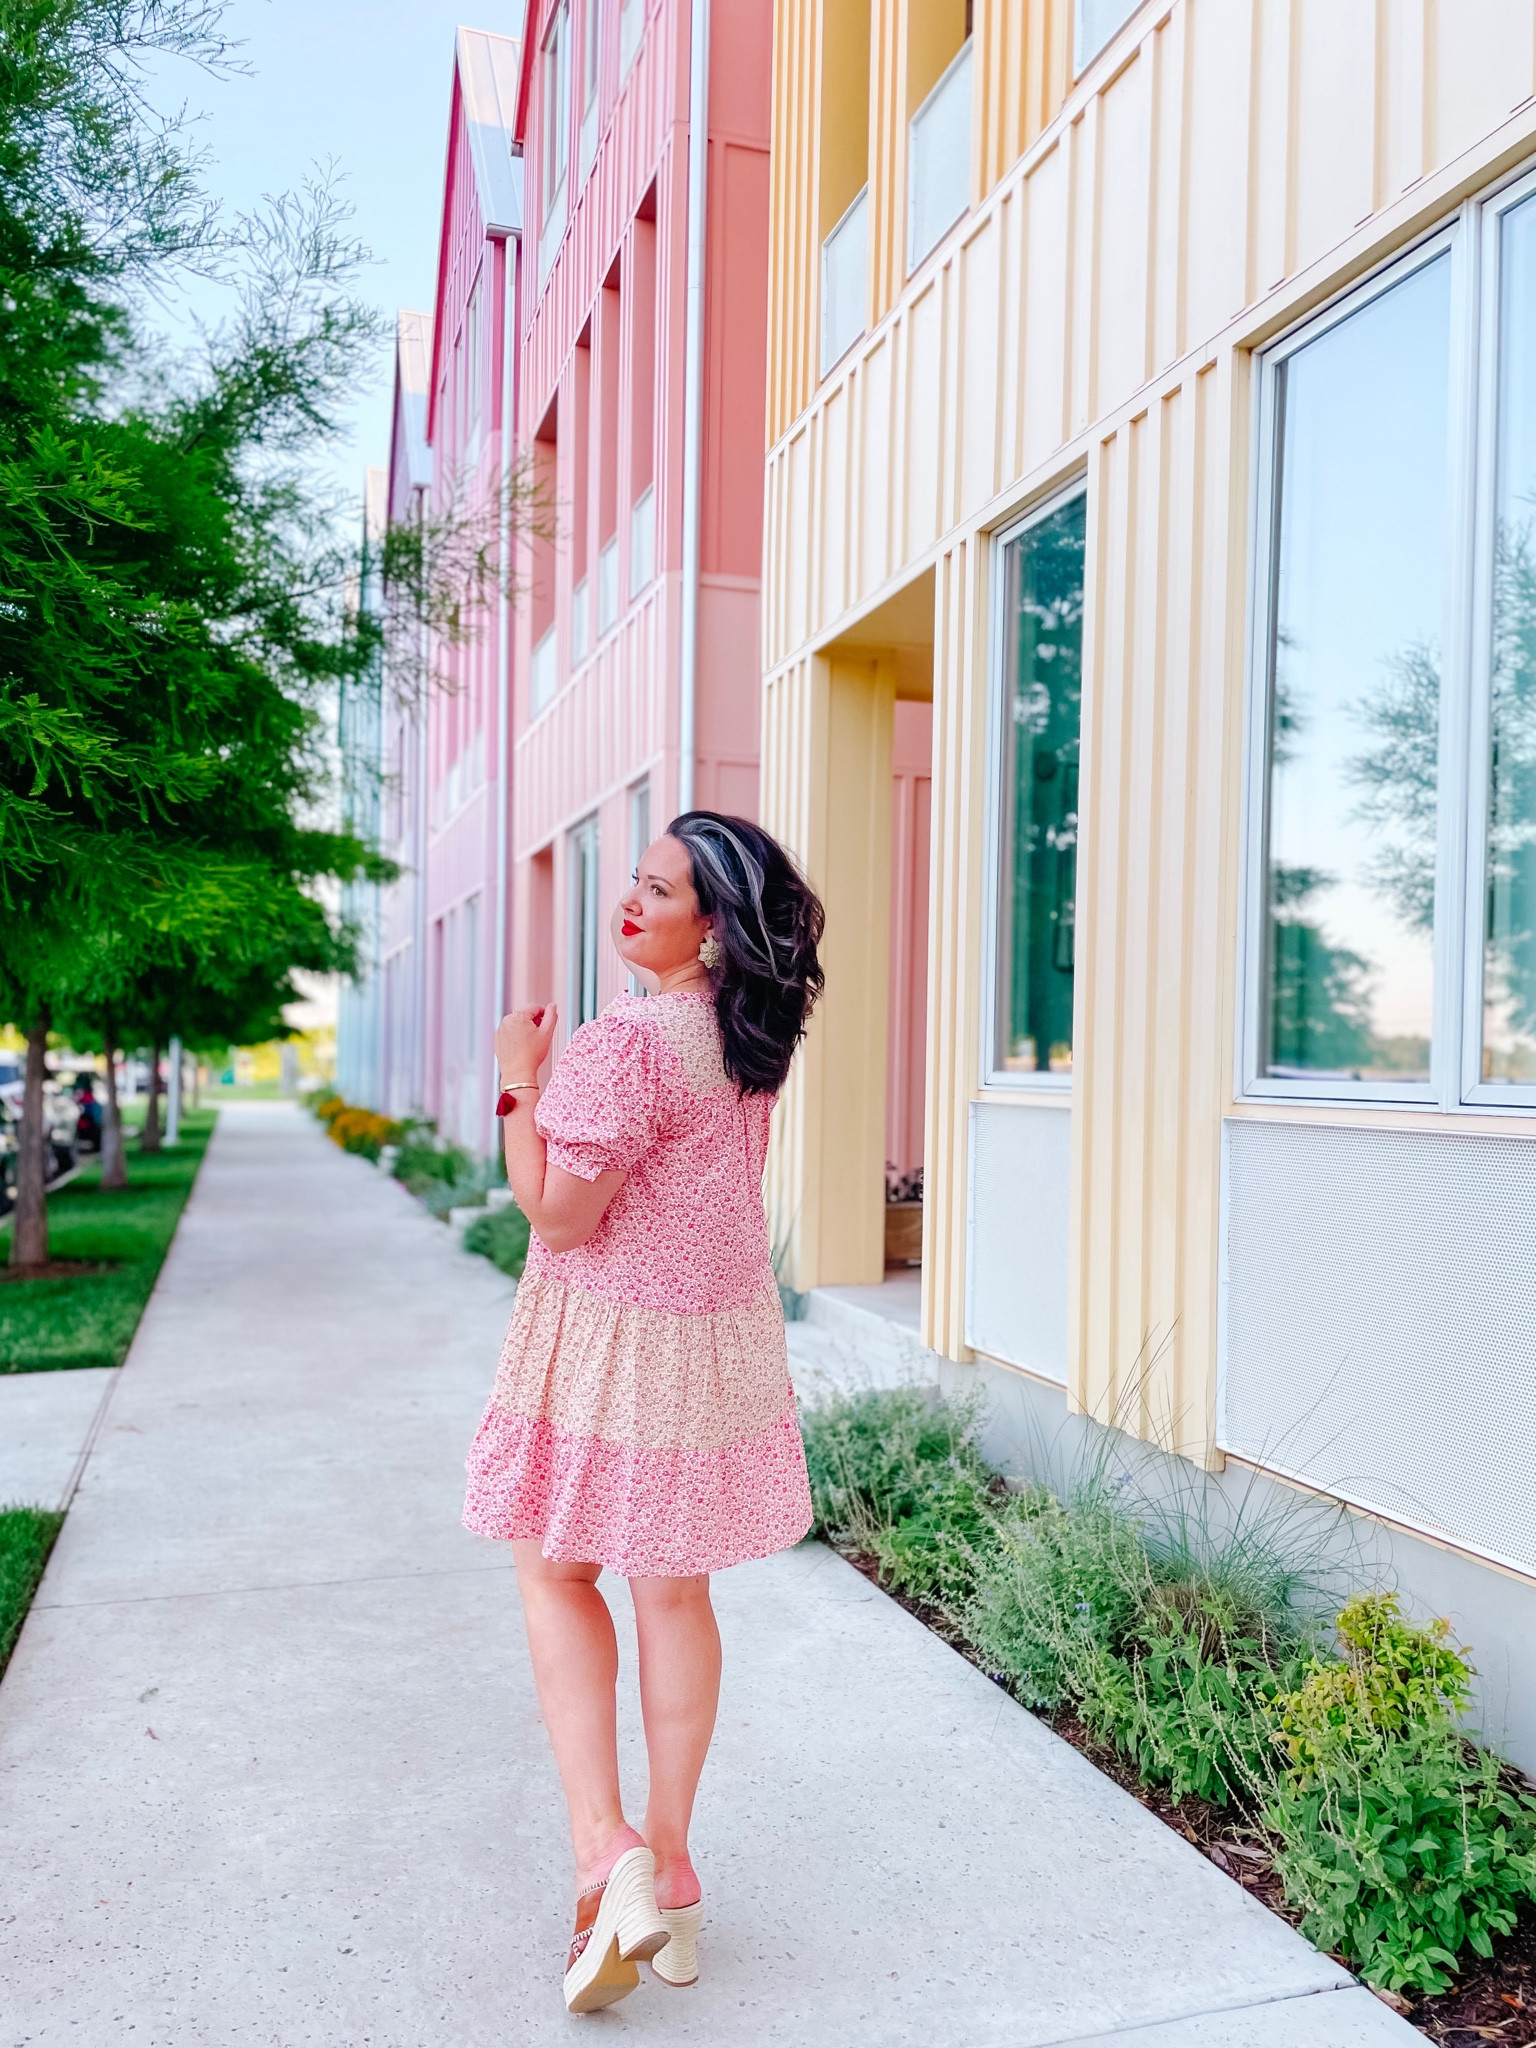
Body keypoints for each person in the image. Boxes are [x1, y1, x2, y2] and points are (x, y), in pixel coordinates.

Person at [464, 811, 826, 2015]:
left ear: (711, 924)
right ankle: (667, 1859)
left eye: (658, 889)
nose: (629, 901)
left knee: (556, 1573)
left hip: (609, 1339)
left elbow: (557, 1215)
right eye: (631, 879)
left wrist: (518, 1079)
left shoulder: (622, 1045)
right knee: (674, 1590)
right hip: (710, 1341)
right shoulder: (742, 1040)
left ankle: (603, 1852)